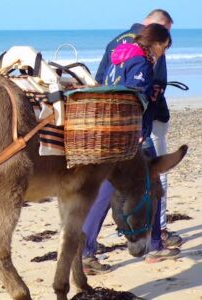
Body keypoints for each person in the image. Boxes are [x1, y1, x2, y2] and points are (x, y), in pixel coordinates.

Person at [82, 16, 182, 274]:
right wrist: (138, 132)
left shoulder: (118, 48)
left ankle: (85, 250)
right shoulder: (142, 61)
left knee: (106, 188)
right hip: (131, 136)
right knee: (152, 184)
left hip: (110, 130)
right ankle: (154, 246)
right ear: (156, 41)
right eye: (165, 47)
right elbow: (135, 98)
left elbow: (100, 81)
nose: (164, 54)